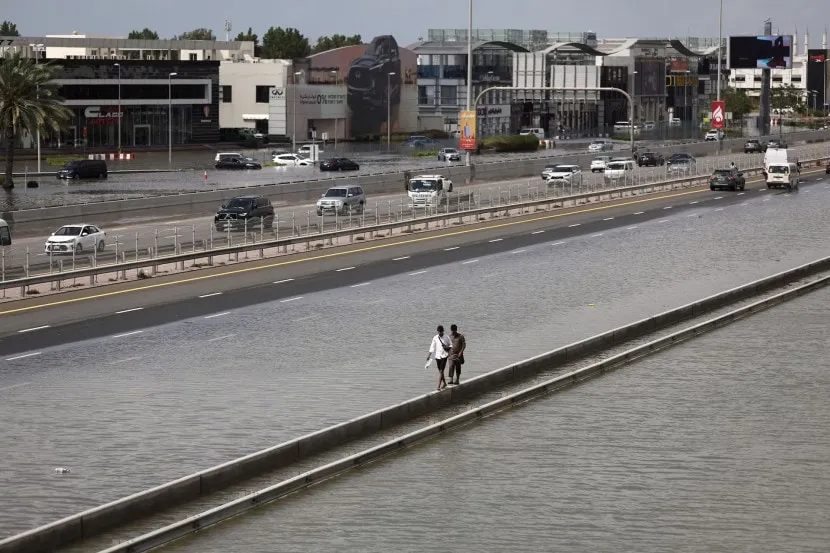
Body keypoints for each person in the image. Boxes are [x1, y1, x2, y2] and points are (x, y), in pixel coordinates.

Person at [427, 325, 451, 391]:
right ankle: (445, 383)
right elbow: (432, 347)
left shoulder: (446, 337)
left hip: (444, 356)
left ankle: (438, 386)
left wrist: (447, 348)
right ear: (438, 331)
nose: (440, 333)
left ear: (443, 331)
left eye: (441, 332)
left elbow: (451, 345)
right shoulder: (435, 337)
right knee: (441, 371)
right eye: (439, 332)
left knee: (441, 371)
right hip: (437, 356)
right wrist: (429, 355)